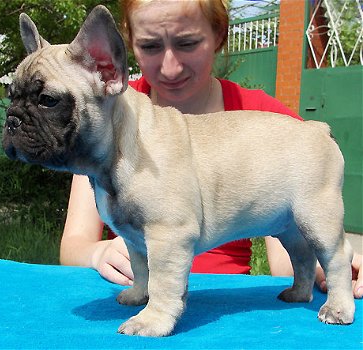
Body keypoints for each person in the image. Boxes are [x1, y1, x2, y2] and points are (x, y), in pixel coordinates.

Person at [60, 0, 362, 298]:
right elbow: (74, 245)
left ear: (219, 34)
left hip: (227, 303)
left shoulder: (271, 124)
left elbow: (288, 249)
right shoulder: (103, 114)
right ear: (126, 41)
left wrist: (336, 266)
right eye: (150, 46)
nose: (171, 66)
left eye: (187, 43)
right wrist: (96, 253)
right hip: (131, 295)